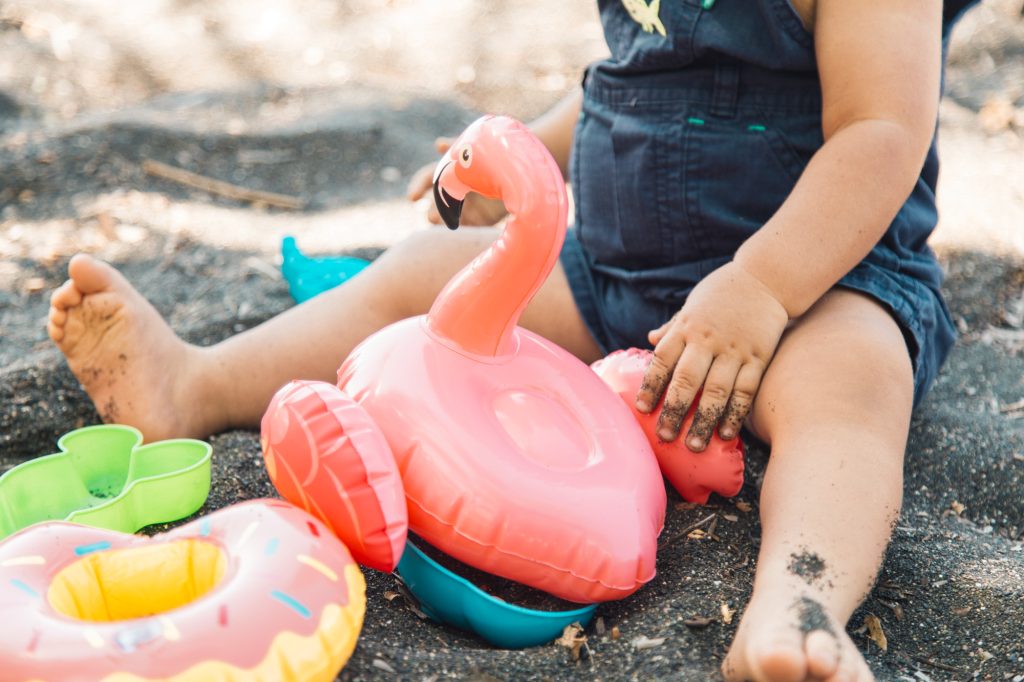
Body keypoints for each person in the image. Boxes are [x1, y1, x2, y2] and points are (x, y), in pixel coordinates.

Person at [48, 1, 978, 679]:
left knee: (852, 389)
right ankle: (194, 385)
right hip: (611, 278)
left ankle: (800, 598)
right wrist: (522, 162)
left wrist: (763, 287)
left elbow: (881, 130)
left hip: (810, 290)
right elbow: (631, 86)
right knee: (420, 276)